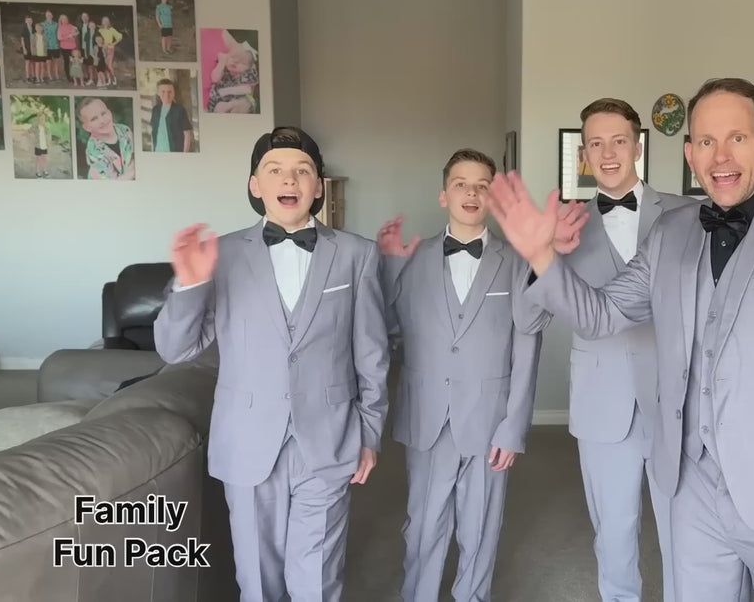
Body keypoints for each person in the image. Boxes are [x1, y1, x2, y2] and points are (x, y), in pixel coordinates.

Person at [486, 77, 754, 601]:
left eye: (737, 138)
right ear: (689, 153)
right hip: (691, 486)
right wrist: (540, 256)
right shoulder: (672, 231)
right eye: (706, 142)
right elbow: (601, 314)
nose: (721, 156)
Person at [153, 126, 391, 602]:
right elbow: (175, 349)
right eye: (275, 169)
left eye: (303, 171)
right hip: (247, 440)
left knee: (317, 577)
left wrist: (369, 432)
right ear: (255, 184)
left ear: (318, 186)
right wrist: (189, 286)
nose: (289, 179)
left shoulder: (357, 254)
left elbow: (372, 352)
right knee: (258, 581)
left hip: (328, 437)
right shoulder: (219, 255)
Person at [517, 98, 694, 602]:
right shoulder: (564, 224)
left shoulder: (687, 214)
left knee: (686, 534)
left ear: (638, 147)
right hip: (601, 404)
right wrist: (544, 255)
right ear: (584, 155)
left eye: (619, 141)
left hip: (677, 402)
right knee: (613, 534)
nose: (608, 152)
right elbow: (527, 320)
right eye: (596, 143)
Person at [376, 148, 543, 602]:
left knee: (481, 527)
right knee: (423, 525)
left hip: (490, 420)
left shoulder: (518, 260)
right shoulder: (410, 258)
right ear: (443, 195)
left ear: (493, 197)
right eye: (460, 184)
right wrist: (389, 268)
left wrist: (514, 425)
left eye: (482, 186)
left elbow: (527, 344)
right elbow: (382, 329)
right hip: (427, 415)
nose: (471, 193)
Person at [76, 97, 134, 180]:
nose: (102, 120)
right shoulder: (93, 151)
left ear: (110, 113)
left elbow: (133, 157)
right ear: (87, 127)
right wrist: (134, 171)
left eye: (103, 113)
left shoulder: (125, 130)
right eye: (94, 119)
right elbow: (114, 183)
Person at [150, 78, 193, 152]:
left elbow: (187, 134)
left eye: (170, 92)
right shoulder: (155, 110)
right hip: (158, 152)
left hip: (174, 152)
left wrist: (184, 154)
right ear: (158, 93)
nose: (166, 95)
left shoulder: (179, 110)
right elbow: (153, 131)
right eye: (163, 91)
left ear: (174, 93)